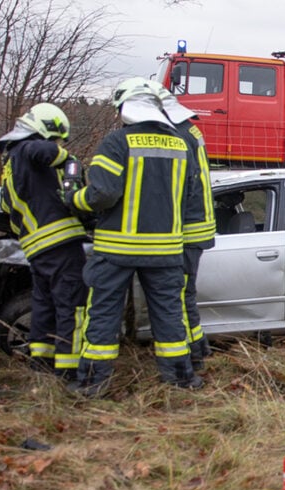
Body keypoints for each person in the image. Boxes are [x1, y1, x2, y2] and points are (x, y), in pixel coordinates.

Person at [64, 77, 201, 397]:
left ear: (124, 108)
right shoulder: (181, 144)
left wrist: (74, 200)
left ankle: (91, 384)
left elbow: (102, 194)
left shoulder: (117, 142)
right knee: (169, 316)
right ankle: (180, 380)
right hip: (166, 249)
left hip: (117, 249)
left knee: (102, 316)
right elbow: (190, 193)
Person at [0, 103, 87, 379]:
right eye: (56, 138)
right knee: (71, 305)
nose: (57, 144)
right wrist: (71, 165)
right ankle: (69, 369)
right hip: (60, 244)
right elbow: (48, 152)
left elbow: (6, 209)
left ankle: (40, 361)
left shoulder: (10, 164)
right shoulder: (30, 148)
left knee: (44, 304)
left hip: (36, 249)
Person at [152, 81, 216, 372]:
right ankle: (198, 347)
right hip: (199, 224)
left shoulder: (177, 134)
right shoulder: (190, 129)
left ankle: (194, 354)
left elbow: (181, 185)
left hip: (188, 226)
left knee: (180, 295)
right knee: (185, 294)